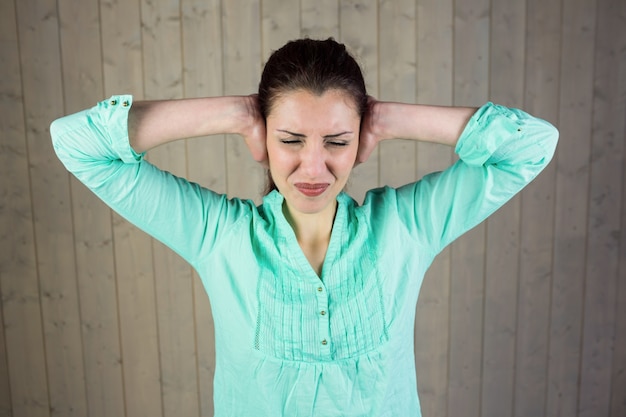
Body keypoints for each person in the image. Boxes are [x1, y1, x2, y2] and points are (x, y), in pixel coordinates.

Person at [50, 38, 558, 417]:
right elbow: (78, 145)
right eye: (290, 140)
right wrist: (234, 113)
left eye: (337, 142)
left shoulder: (407, 228)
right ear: (264, 140)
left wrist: (388, 118)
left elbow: (532, 146)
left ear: (361, 142)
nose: (313, 170)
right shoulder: (219, 237)